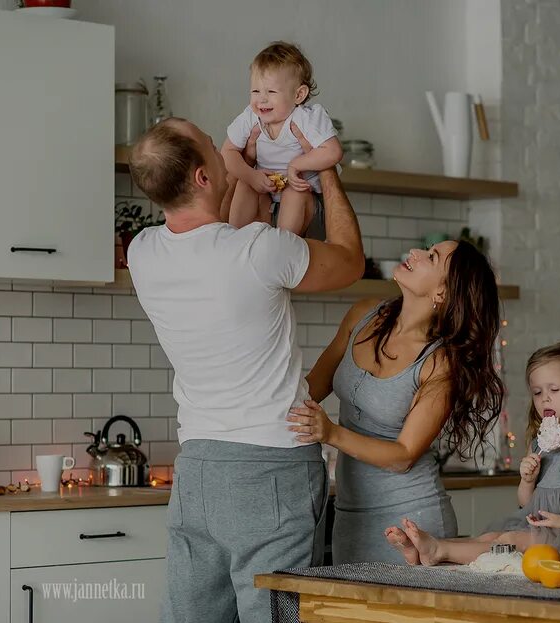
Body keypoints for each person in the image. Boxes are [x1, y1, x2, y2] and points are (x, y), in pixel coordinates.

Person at [126, 117, 363, 623]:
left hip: (198, 470)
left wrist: (248, 169)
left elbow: (217, 238)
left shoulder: (142, 252)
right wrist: (326, 167)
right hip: (271, 468)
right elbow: (348, 262)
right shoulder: (259, 250)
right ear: (203, 178)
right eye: (214, 146)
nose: (223, 145)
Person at [286, 240, 505, 564]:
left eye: (431, 257)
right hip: (351, 516)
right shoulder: (363, 314)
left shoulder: (439, 362)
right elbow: (313, 387)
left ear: (442, 294)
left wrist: (331, 433)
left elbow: (404, 455)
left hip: (413, 521)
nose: (414, 254)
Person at [385, 341, 560, 565]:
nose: (545, 400)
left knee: (512, 540)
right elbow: (525, 503)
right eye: (538, 393)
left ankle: (440, 550)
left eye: (554, 390)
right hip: (540, 526)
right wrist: (527, 479)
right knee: (493, 537)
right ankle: (424, 552)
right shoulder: (539, 443)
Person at [222, 41, 343, 235]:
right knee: (245, 183)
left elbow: (333, 151)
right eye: (255, 91)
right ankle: (235, 239)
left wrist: (297, 165)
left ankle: (284, 246)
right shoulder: (251, 117)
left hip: (306, 195)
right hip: (267, 189)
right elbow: (227, 152)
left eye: (271, 91)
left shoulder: (306, 118)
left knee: (294, 192)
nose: (261, 99)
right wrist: (251, 176)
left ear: (298, 95)